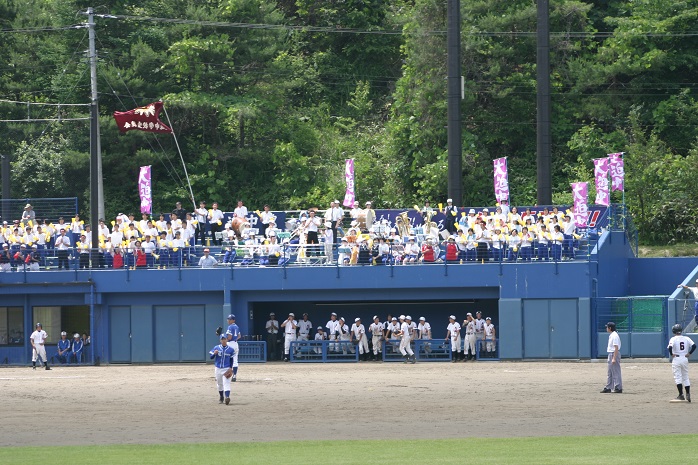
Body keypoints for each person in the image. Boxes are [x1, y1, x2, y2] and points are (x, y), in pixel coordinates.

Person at [668, 324, 696, 402]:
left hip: (676, 358)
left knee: (678, 377)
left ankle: (681, 395)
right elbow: (694, 346)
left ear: (674, 331)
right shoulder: (686, 338)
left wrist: (671, 354)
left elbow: (670, 347)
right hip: (684, 358)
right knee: (685, 376)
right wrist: (689, 353)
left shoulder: (673, 339)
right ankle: (688, 393)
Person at [209, 333, 234, 405]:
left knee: (226, 383)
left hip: (226, 368)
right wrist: (214, 353)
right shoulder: (216, 347)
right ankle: (221, 397)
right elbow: (211, 357)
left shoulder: (230, 350)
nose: (223, 340)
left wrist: (230, 368)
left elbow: (232, 360)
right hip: (218, 368)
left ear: (227, 339)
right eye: (222, 339)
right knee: (219, 384)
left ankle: (227, 397)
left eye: (225, 339)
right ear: (220, 340)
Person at [601, 321, 623, 394]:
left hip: (614, 354)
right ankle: (609, 387)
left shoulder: (614, 336)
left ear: (610, 328)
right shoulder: (612, 335)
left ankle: (618, 387)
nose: (606, 329)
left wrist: (614, 358)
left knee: (616, 371)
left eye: (607, 327)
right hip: (611, 353)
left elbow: (616, 347)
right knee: (610, 372)